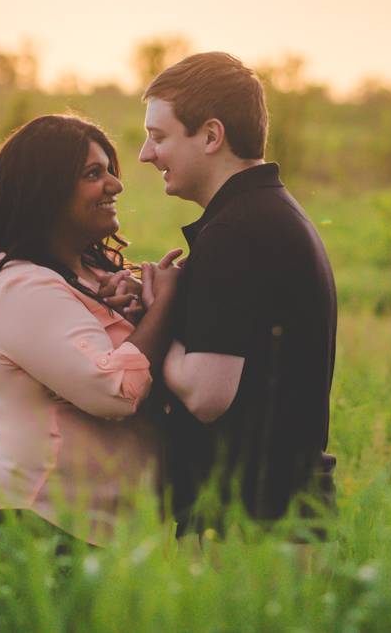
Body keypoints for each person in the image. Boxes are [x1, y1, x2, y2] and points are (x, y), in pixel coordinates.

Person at [0, 114, 181, 547]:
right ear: (47, 190)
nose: (115, 185)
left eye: (110, 171)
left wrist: (140, 301)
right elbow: (111, 390)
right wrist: (165, 306)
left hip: (100, 534)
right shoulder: (22, 285)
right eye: (94, 174)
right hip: (29, 526)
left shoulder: (94, 274)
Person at [137, 52, 338, 537]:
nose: (146, 154)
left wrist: (158, 316)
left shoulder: (236, 233)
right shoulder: (272, 213)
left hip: (250, 527)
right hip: (282, 516)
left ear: (210, 135)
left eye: (159, 136)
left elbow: (207, 394)